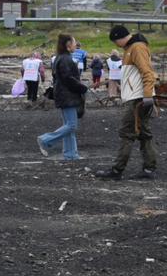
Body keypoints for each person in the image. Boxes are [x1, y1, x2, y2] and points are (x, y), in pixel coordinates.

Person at [96, 26, 159, 180]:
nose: (116, 44)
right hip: (139, 97)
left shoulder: (136, 48)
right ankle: (149, 169)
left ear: (120, 37)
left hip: (137, 98)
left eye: (116, 41)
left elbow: (148, 72)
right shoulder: (132, 48)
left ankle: (117, 170)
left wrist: (147, 95)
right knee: (144, 133)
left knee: (127, 132)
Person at [38, 34, 88, 161]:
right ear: (68, 44)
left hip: (63, 95)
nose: (76, 44)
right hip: (68, 96)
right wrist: (81, 87)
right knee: (71, 125)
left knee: (68, 126)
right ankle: (45, 140)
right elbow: (68, 79)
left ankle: (70, 154)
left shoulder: (60, 58)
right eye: (74, 42)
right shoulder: (66, 59)